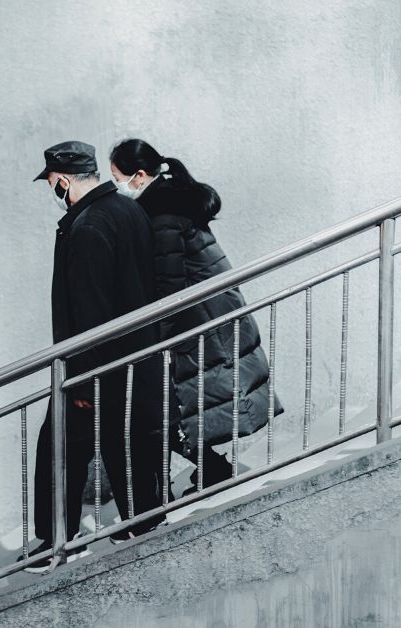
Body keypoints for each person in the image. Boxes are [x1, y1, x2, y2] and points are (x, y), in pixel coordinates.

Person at [25, 141, 175, 573]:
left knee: (60, 448)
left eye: (51, 181)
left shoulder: (87, 226)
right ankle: (143, 519)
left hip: (95, 364)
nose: (52, 188)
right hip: (134, 355)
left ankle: (57, 541)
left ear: (62, 180)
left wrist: (81, 376)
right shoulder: (128, 211)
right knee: (124, 439)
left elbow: (89, 307)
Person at [109, 139, 282, 493]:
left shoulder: (161, 216)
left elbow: (169, 285)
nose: (118, 188)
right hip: (209, 318)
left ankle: (212, 469)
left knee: (168, 406)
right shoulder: (170, 201)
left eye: (119, 179)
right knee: (179, 405)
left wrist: (158, 339)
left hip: (200, 323)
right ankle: (212, 468)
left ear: (139, 176)